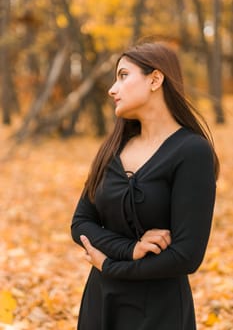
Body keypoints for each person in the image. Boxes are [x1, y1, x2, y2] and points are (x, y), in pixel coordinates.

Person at [71, 41, 219, 330]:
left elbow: (186, 257)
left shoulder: (192, 152)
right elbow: (81, 223)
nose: (113, 89)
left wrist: (110, 266)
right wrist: (131, 249)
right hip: (100, 304)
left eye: (123, 75)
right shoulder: (113, 147)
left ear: (155, 79)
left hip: (158, 312)